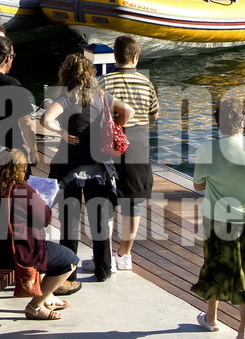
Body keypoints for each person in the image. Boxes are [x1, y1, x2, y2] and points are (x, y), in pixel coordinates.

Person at [38, 53, 132, 282]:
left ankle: (67, 273)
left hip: (70, 166)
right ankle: (103, 270)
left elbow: (45, 120)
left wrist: (62, 132)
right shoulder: (102, 96)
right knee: (100, 221)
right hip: (99, 166)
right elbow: (129, 111)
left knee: (70, 223)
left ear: (66, 74)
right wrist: (113, 127)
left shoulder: (66, 98)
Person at [0, 149, 78, 321]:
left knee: (41, 247)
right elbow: (45, 219)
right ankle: (35, 306)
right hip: (13, 255)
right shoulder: (23, 190)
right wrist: (38, 198)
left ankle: (47, 297)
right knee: (69, 260)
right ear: (19, 170)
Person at [192, 95, 245, 339]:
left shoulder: (206, 150)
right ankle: (243, 330)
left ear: (217, 123)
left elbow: (198, 185)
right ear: (242, 122)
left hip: (217, 219)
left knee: (214, 266)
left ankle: (211, 318)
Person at [101, 33, 159, 271]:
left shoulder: (103, 82)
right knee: (134, 201)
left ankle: (105, 257)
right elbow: (154, 115)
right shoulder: (146, 83)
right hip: (138, 142)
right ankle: (124, 255)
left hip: (110, 143)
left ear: (115, 57)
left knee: (106, 199)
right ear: (135, 58)